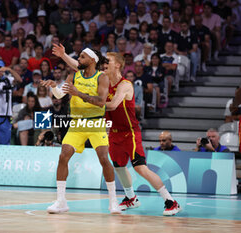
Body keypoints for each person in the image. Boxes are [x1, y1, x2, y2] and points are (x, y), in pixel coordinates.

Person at [52, 45, 182, 216]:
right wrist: (63, 56)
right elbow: (80, 66)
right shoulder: (103, 79)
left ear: (118, 65)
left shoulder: (125, 85)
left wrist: (87, 99)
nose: (104, 63)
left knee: (140, 168)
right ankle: (131, 198)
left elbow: (112, 105)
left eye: (108, 61)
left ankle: (170, 201)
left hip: (130, 132)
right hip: (113, 133)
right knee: (119, 167)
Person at [41, 47, 121, 214]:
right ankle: (61, 201)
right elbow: (59, 96)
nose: (79, 59)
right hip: (76, 124)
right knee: (63, 156)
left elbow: (100, 102)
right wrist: (55, 87)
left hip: (96, 124)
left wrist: (79, 93)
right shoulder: (73, 76)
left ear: (92, 60)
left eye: (82, 57)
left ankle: (113, 201)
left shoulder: (102, 77)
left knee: (104, 159)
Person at [0, 59, 22, 145]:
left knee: (4, 144)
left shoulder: (9, 80)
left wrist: (10, 70)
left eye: (1, 69)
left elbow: (19, 80)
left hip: (6, 117)